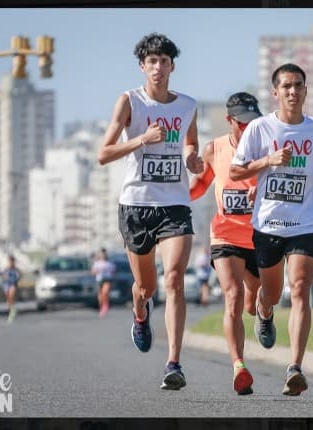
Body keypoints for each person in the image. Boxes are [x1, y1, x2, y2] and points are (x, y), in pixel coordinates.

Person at [97, 33, 203, 391]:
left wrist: (192, 158)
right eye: (151, 61)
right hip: (136, 205)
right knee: (146, 286)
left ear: (173, 66)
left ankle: (173, 362)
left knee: (174, 279)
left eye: (164, 61)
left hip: (174, 203)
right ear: (142, 66)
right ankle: (140, 314)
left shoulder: (187, 105)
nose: (158, 67)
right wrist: (142, 138)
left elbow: (191, 143)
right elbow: (103, 153)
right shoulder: (130, 101)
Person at [229, 63, 313, 396]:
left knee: (301, 288)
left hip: (305, 223)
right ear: (275, 92)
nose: (293, 92)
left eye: (299, 86)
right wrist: (268, 161)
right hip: (268, 224)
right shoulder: (260, 130)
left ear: (305, 91)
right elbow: (236, 172)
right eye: (287, 86)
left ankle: (295, 367)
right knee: (272, 293)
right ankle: (265, 313)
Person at [189, 92, 263, 395]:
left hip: (260, 236)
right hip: (225, 234)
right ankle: (239, 366)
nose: (248, 128)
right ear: (229, 120)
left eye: (252, 122)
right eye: (242, 123)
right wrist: (174, 194)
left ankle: (263, 313)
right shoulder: (214, 149)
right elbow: (200, 187)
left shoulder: (267, 147)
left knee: (253, 299)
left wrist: (262, 192)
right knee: (232, 295)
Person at [91, 248, 116, 318]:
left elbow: (114, 271)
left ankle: (106, 305)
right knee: (100, 296)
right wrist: (97, 271)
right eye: (102, 254)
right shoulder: (97, 263)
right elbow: (93, 272)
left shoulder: (110, 262)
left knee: (105, 292)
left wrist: (110, 273)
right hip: (99, 280)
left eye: (104, 254)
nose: (103, 255)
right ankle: (101, 307)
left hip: (107, 279)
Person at [1, 255, 22, 322]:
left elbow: (20, 275)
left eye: (12, 261)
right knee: (8, 298)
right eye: (10, 261)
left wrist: (17, 279)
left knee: (11, 295)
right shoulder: (6, 269)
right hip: (6, 284)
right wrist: (5, 277)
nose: (11, 263)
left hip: (13, 284)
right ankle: (11, 309)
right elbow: (3, 276)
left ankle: (12, 310)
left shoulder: (16, 269)